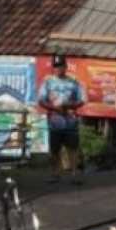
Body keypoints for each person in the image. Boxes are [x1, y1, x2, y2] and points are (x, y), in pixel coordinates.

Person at [39, 55, 86, 185]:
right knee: (55, 149)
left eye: (60, 66)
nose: (58, 69)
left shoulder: (74, 82)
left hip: (71, 121)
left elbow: (81, 100)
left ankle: (74, 174)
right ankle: (55, 173)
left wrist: (68, 106)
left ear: (65, 67)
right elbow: (42, 100)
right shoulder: (47, 83)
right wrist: (54, 108)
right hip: (55, 121)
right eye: (55, 66)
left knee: (73, 148)